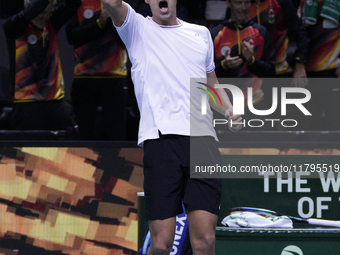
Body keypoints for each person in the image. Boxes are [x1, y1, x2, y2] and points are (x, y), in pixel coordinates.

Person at [101, 0, 242, 254]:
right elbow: (111, 2)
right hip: (161, 142)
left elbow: (211, 85)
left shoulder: (200, 34)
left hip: (203, 142)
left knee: (205, 240)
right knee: (162, 243)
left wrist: (229, 110)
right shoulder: (136, 29)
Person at [3, 0, 81, 134]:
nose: (43, 16)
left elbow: (74, 3)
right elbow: (33, 10)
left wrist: (55, 3)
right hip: (26, 105)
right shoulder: (14, 26)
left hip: (55, 103)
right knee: (25, 154)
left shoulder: (52, 24)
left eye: (48, 11)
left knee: (69, 150)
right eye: (40, 11)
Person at [66, 0, 128, 140]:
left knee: (116, 135)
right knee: (84, 134)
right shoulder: (78, 3)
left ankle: (114, 162)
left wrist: (115, 20)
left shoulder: (120, 4)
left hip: (114, 78)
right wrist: (99, 23)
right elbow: (72, 37)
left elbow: (128, 38)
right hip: (85, 78)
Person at [211, 0, 275, 130]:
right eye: (238, 3)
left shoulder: (261, 33)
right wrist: (224, 65)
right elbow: (205, 76)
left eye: (246, 3)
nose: (243, 7)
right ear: (228, 3)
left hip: (255, 106)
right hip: (225, 109)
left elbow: (271, 72)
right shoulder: (215, 34)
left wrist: (251, 60)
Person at [298, 0, 340, 131]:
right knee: (307, 122)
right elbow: (298, 33)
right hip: (306, 72)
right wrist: (299, 65)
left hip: (332, 70)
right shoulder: (305, 3)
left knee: (334, 122)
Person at [248, 0, 310, 86]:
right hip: (249, 75)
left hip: (278, 72)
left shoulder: (281, 3)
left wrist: (300, 63)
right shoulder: (241, 5)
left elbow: (301, 34)